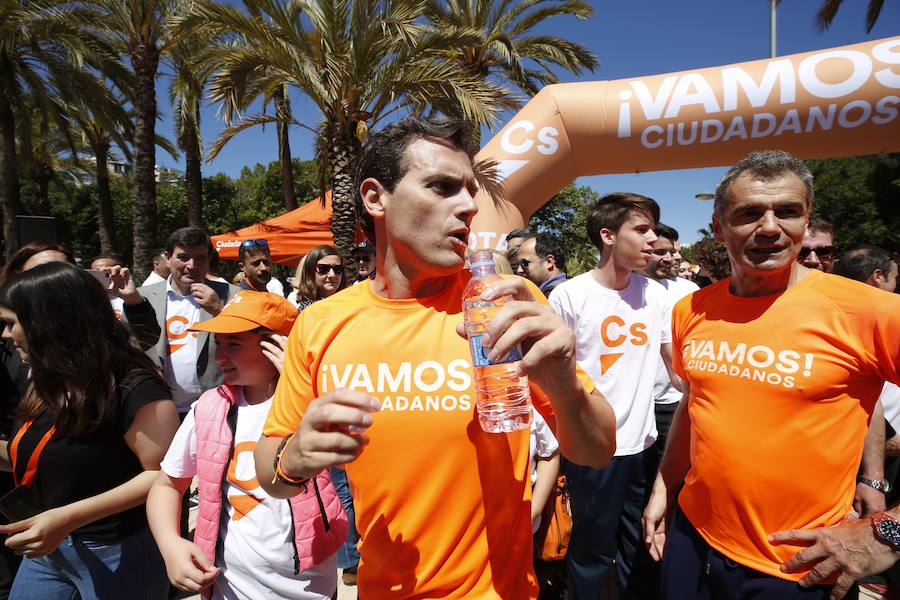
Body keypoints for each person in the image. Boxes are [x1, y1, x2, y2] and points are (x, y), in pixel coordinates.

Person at [253, 116, 616, 598]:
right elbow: (270, 472)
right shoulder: (321, 323)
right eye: (442, 187)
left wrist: (566, 388)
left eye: (470, 190)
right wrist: (296, 456)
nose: (468, 206)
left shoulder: (505, 303)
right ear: (375, 198)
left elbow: (596, 451)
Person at [642, 150, 900, 600]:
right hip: (691, 536)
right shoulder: (692, 309)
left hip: (794, 565)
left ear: (806, 220)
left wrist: (887, 532)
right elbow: (695, 403)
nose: (769, 227)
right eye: (749, 213)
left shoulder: (870, 311)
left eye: (787, 211)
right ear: (719, 227)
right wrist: (665, 485)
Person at [147, 291, 346, 600]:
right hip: (231, 589)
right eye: (218, 344)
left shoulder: (313, 403)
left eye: (235, 344)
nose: (220, 357)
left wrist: (300, 388)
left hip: (311, 589)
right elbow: (167, 484)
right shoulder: (209, 408)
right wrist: (170, 544)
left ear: (276, 346)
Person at [0, 262, 180, 599]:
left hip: (118, 552)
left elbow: (164, 476)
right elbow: (39, 454)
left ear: (47, 323)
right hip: (48, 551)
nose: (6, 336)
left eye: (11, 324)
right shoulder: (46, 379)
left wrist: (66, 519)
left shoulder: (136, 388)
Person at [548, 192, 678, 599]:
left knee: (636, 546)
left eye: (654, 229)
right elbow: (553, 377)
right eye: (641, 230)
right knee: (591, 552)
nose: (653, 239)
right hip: (591, 451)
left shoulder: (655, 295)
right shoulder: (569, 296)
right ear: (607, 235)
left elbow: (675, 366)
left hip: (643, 445)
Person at [131, 226, 240, 416]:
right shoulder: (141, 298)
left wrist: (220, 311)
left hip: (217, 408)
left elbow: (249, 343)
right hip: (159, 410)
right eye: (183, 257)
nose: (191, 265)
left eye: (200, 258)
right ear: (167, 258)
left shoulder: (233, 296)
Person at [289, 244, 344, 312]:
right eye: (323, 268)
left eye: (337, 269)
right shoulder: (297, 305)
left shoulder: (350, 304)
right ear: (310, 271)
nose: (332, 275)